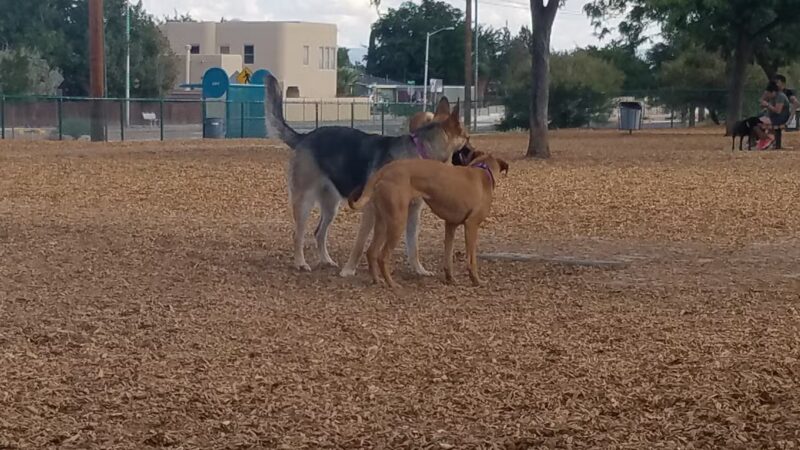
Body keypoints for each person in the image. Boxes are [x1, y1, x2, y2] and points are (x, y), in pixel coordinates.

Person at [754, 81, 791, 150]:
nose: (767, 95)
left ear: (773, 92)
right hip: (773, 117)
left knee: (756, 123)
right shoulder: (772, 96)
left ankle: (768, 138)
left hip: (781, 117)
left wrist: (767, 105)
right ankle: (765, 139)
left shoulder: (780, 96)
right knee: (754, 123)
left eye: (768, 93)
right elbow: (762, 101)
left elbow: (778, 111)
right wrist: (763, 102)